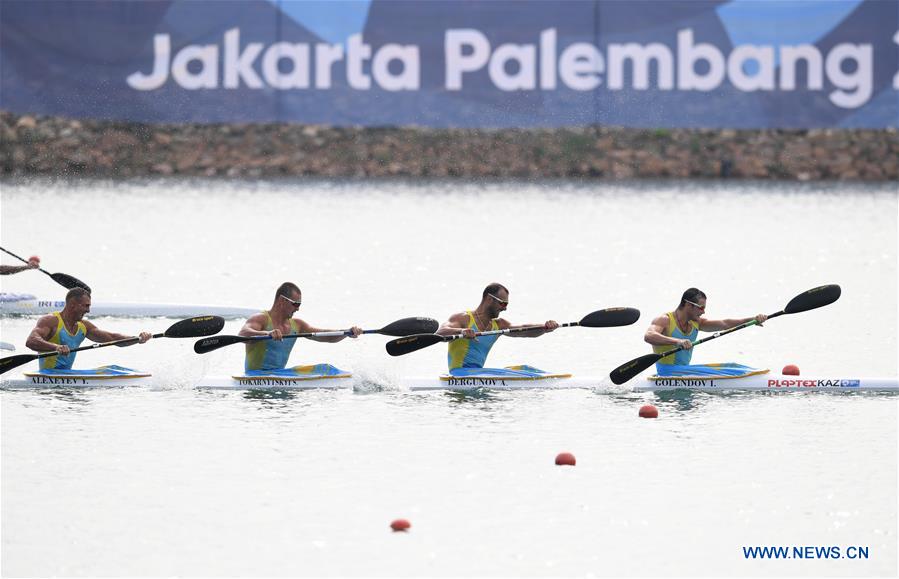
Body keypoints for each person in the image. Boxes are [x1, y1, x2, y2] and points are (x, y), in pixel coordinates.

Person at [436, 282, 559, 374]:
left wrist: (545, 327)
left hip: (479, 374)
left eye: (506, 304)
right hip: (459, 373)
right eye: (502, 303)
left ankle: (551, 377)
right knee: (512, 374)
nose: (505, 308)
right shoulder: (463, 319)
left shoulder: (499, 325)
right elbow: (440, 333)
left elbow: (523, 329)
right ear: (489, 299)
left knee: (525, 369)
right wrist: (462, 331)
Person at [239, 282, 362, 373]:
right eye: (295, 304)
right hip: (255, 376)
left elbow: (325, 336)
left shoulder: (297, 325)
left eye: (299, 304)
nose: (298, 308)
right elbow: (243, 334)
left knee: (327, 369)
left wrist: (347, 332)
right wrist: (267, 334)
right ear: (282, 301)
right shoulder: (261, 319)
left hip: (279, 375)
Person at [644, 288, 767, 375]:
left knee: (732, 366)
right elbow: (649, 336)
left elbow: (725, 324)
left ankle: (761, 375)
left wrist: (752, 319)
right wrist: (678, 341)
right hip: (667, 372)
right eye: (701, 307)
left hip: (684, 371)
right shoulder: (665, 320)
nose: (703, 312)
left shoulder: (697, 322)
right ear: (688, 305)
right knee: (730, 371)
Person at [25, 287, 152, 371]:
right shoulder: (50, 321)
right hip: (47, 377)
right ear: (73, 305)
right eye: (86, 306)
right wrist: (56, 347)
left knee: (112, 369)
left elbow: (113, 338)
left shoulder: (84, 327)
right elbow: (31, 341)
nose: (88, 310)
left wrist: (138, 339)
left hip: (66, 376)